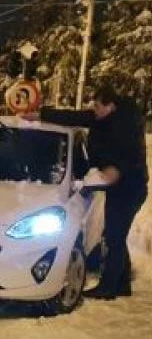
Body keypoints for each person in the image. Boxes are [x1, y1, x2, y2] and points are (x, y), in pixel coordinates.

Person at [32, 87, 148, 299]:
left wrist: (116, 170)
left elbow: (130, 155)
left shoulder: (127, 125)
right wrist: (40, 115)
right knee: (116, 235)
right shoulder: (102, 118)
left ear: (110, 106)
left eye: (97, 106)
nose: (93, 110)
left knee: (114, 236)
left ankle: (108, 287)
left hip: (131, 187)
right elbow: (74, 116)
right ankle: (121, 284)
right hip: (118, 187)